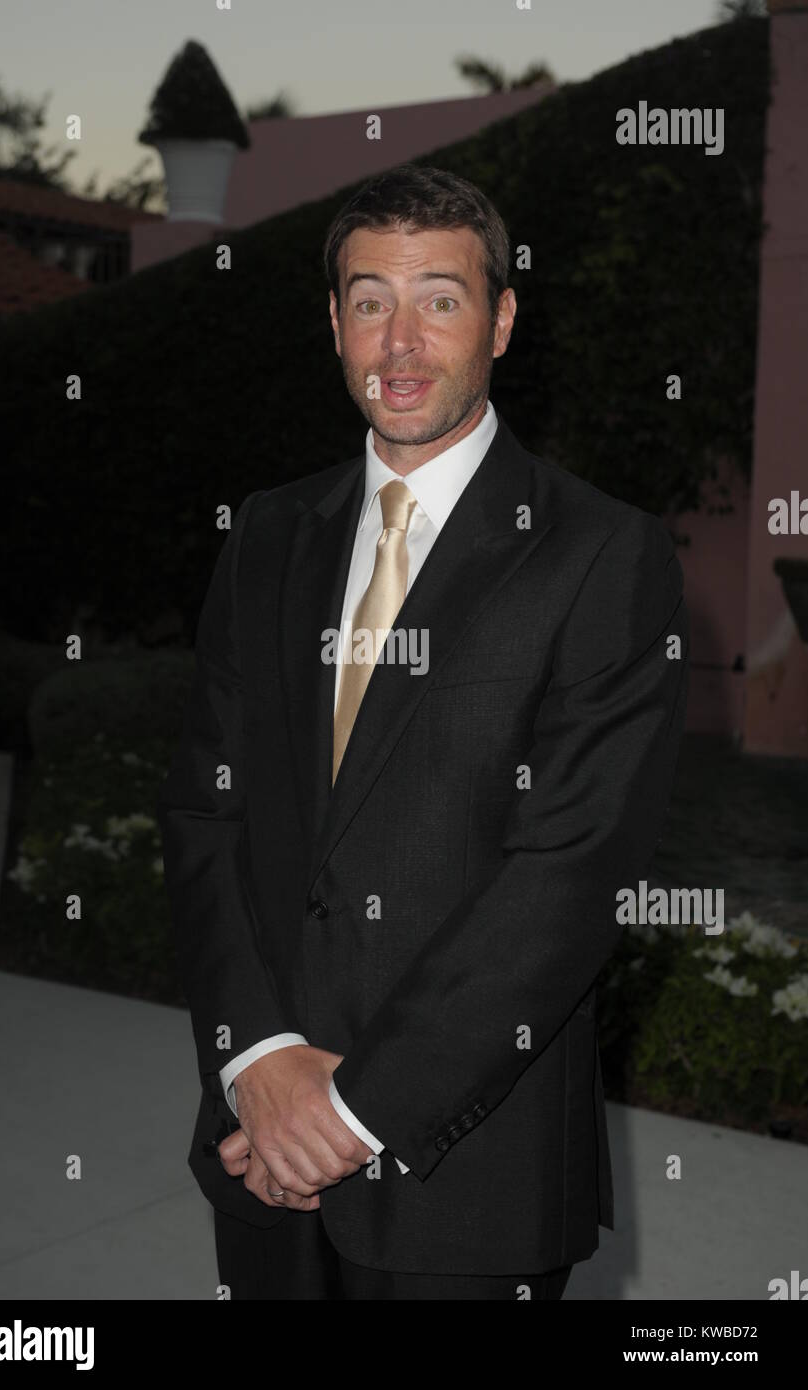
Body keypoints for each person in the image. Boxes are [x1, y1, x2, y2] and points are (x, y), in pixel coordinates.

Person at [157, 163, 689, 1300]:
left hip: (469, 1182)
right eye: (368, 301)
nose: (399, 342)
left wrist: (349, 1111)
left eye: (438, 299)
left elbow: (569, 876)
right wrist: (258, 1058)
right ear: (334, 323)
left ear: (500, 319)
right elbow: (208, 810)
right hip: (262, 1156)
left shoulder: (602, 553)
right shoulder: (266, 532)